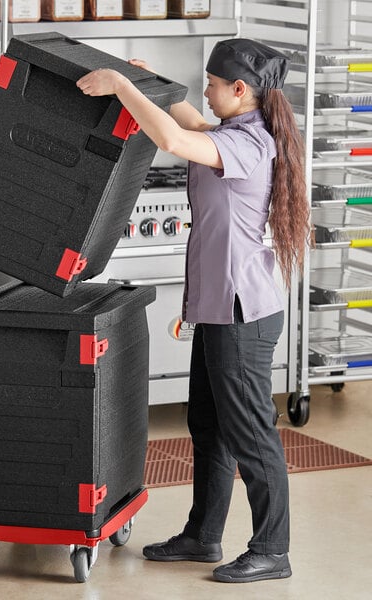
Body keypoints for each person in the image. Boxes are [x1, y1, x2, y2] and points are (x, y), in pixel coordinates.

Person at [77, 38, 310, 583]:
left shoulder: (253, 144)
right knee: (208, 425)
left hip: (242, 314)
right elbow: (189, 123)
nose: (203, 90)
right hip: (216, 307)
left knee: (250, 430)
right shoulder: (232, 132)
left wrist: (124, 88)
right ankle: (203, 536)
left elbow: (173, 137)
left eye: (211, 82)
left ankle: (272, 549)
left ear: (240, 89)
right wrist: (152, 82)